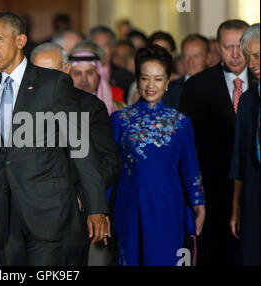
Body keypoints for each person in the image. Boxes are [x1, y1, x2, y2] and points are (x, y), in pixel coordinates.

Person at [0, 12, 110, 266]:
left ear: (21, 40)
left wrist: (96, 206)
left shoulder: (54, 83)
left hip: (49, 215)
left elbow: (80, 147)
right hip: (3, 219)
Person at [110, 45, 206, 266]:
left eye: (158, 79)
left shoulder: (180, 122)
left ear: (168, 81)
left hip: (167, 206)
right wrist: (101, 208)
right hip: (130, 205)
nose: (151, 85)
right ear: (137, 80)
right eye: (145, 78)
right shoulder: (120, 119)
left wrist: (198, 203)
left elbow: (190, 168)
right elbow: (109, 168)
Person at [31, 42, 121, 266]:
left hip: (72, 216)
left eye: (51, 72)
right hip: (29, 216)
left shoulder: (89, 107)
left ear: (66, 70)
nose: (45, 80)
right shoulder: (19, 108)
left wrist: (84, 195)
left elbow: (109, 161)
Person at [179, 19, 256, 266]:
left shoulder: (257, 81)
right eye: (227, 47)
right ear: (217, 48)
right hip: (213, 191)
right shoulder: (197, 86)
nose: (235, 54)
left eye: (240, 46)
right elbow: (186, 145)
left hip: (254, 187)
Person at [229, 23, 260, 266]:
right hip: (252, 198)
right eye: (248, 57)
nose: (252, 64)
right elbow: (239, 157)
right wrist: (236, 206)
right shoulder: (248, 101)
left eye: (258, 56)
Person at [69, 40, 122, 112]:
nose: (84, 79)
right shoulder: (58, 109)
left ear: (99, 75)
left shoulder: (118, 109)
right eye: (77, 73)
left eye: (90, 72)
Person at [88, 26, 135, 101]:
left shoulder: (125, 76)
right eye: (96, 46)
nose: (100, 50)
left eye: (105, 45)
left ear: (113, 48)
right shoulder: (80, 75)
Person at [164, 34, 209, 110]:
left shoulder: (219, 88)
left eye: (196, 56)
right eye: (186, 56)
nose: (190, 61)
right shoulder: (170, 89)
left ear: (207, 58)